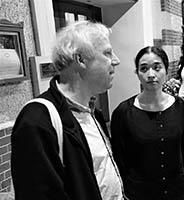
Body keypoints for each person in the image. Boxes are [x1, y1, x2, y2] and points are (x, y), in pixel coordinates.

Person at [11, 20, 124, 200]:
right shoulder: (37, 120)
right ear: (81, 60)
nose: (116, 61)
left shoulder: (93, 111)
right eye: (107, 53)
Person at [110, 46, 184, 200]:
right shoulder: (123, 112)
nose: (151, 75)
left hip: (178, 191)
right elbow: (119, 159)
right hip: (141, 193)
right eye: (144, 69)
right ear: (137, 73)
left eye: (157, 68)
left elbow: (182, 146)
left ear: (166, 70)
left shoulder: (179, 105)